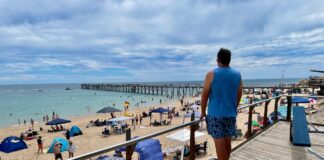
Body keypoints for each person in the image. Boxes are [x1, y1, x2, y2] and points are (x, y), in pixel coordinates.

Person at [200, 48, 242, 160]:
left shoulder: (211, 74)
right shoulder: (237, 74)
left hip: (215, 115)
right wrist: (234, 107)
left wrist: (203, 112)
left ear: (217, 60)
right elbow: (239, 94)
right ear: (229, 60)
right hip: (230, 114)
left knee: (219, 144)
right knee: (227, 141)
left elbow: (204, 96)